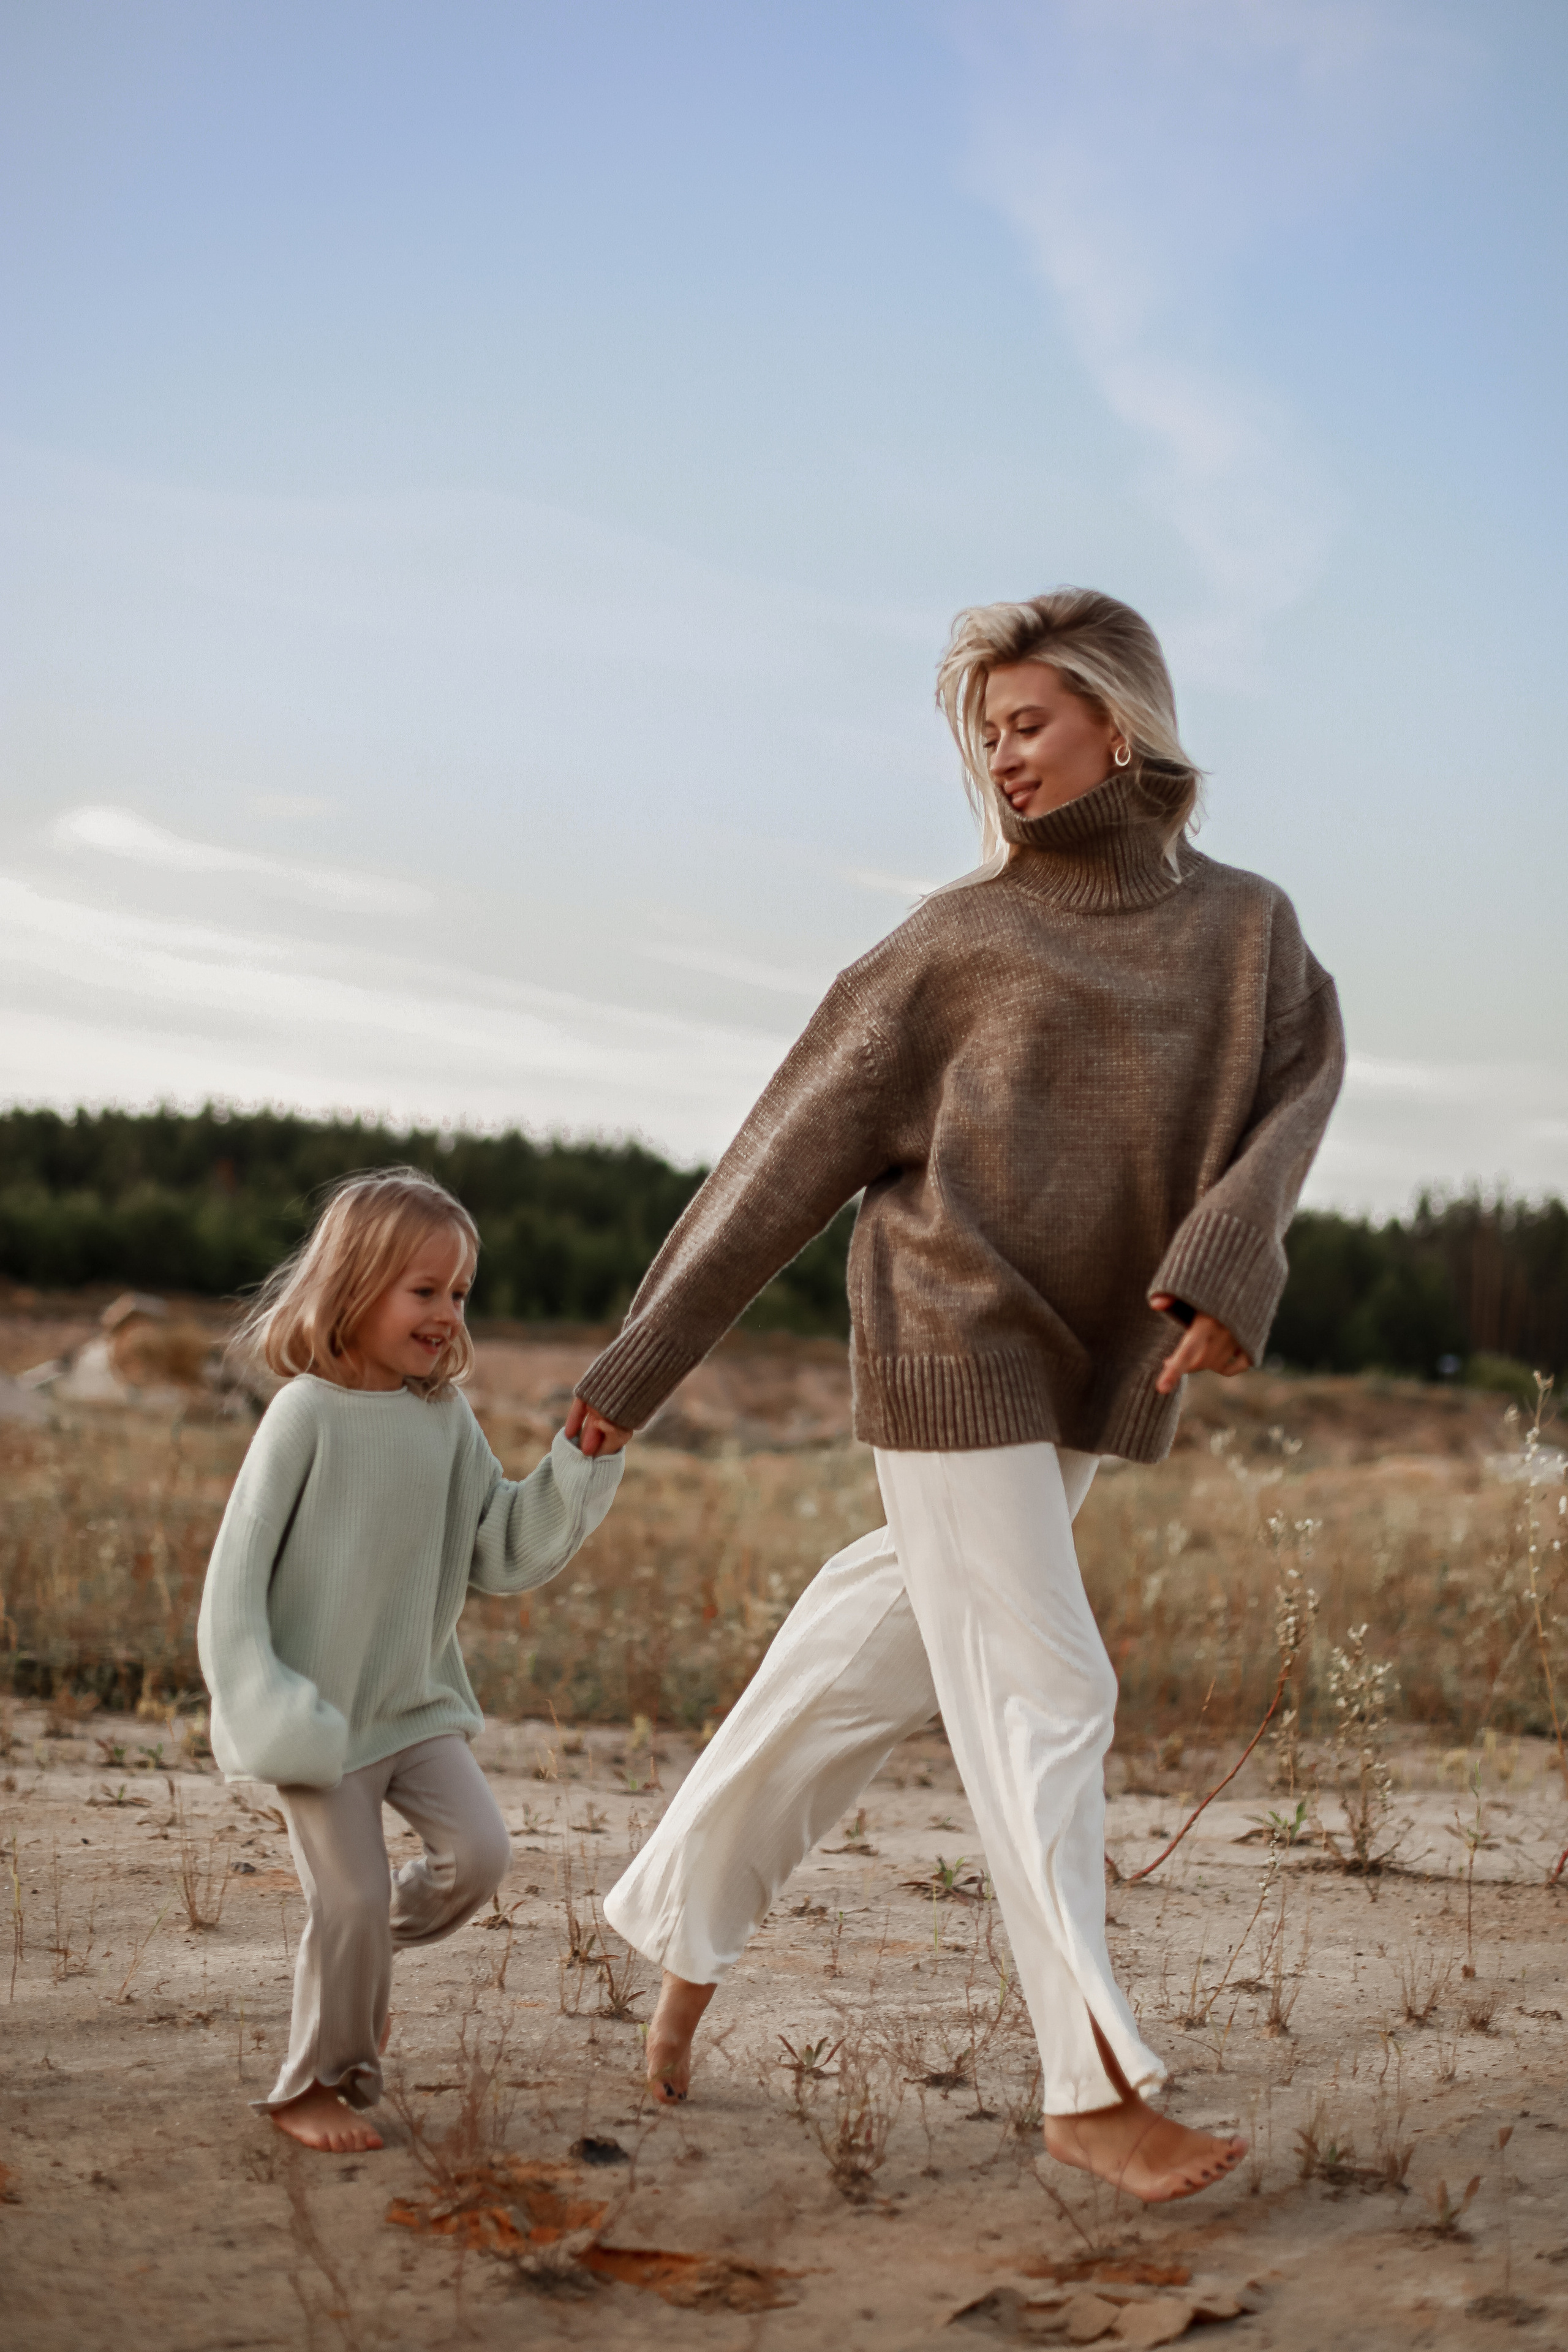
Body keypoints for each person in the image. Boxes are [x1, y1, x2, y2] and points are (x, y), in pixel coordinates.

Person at [565, 588, 1344, 2205]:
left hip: (1086, 1353)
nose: (1001, 754)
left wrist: (1224, 1266)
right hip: (950, 1333)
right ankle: (1091, 2085)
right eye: (984, 733)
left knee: (875, 1645)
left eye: (1028, 721)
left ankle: (683, 1925)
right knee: (1048, 1687)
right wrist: (635, 1373)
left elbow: (1298, 1084)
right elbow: (778, 1165)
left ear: (1119, 726)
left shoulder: (1250, 931)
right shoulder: (951, 944)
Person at [198, 1166, 624, 2153]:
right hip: (321, 1724)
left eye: (459, 1293)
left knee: (478, 1857)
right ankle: (315, 2083)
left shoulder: (446, 1421)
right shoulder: (302, 1416)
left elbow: (505, 1551)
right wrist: (268, 1706)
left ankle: (359, 1968)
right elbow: (233, 1583)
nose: (445, 1314)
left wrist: (579, 1461)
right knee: (345, 1897)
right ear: (353, 1287)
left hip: (417, 1710)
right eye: (423, 1290)